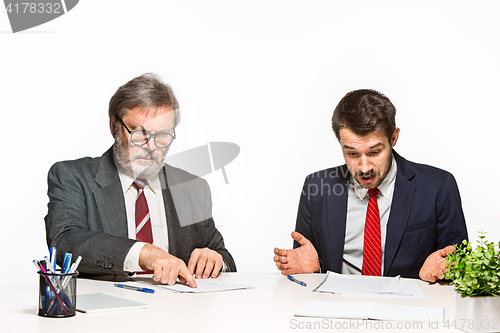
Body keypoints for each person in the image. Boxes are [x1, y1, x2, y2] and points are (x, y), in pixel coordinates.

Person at [45, 73, 236, 287]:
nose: (151, 146)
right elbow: (64, 242)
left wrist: (214, 260)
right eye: (139, 133)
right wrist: (143, 253)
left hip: (178, 315)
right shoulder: (73, 177)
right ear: (114, 127)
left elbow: (224, 256)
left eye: (163, 135)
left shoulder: (192, 188)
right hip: (107, 316)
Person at [274, 89, 467, 282]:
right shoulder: (317, 186)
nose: (364, 168)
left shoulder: (438, 187)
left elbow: (458, 266)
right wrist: (315, 270)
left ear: (393, 138)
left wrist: (439, 273)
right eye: (352, 154)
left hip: (408, 307)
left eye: (374, 152)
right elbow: (305, 259)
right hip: (338, 307)